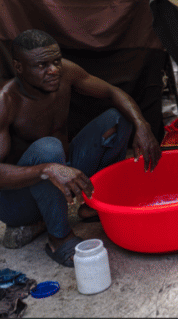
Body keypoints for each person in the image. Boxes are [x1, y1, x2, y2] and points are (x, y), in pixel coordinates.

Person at [0, 29, 161, 267]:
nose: (53, 69)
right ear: (19, 67)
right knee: (48, 148)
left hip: (62, 172)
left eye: (55, 61)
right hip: (19, 202)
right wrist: (47, 169)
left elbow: (112, 92)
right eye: (42, 65)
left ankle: (94, 205)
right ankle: (58, 238)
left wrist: (142, 125)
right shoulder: (6, 102)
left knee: (118, 118)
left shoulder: (66, 73)